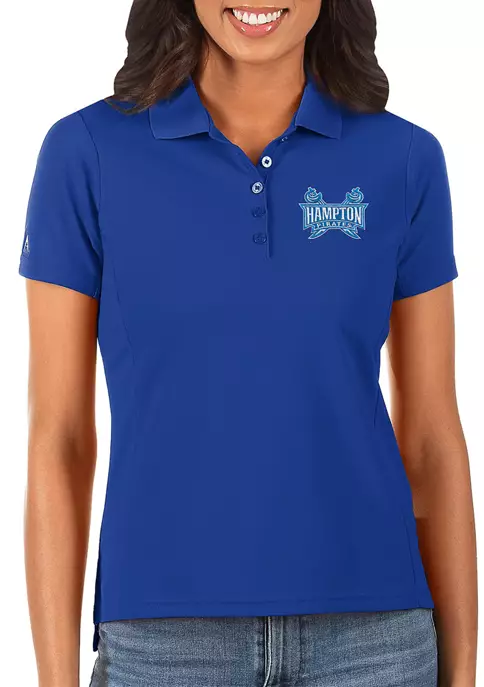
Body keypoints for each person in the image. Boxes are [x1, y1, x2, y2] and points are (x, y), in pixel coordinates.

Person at [19, 1, 478, 686]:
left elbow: (433, 437)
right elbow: (58, 438)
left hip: (375, 640)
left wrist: (463, 671)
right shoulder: (86, 154)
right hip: (166, 644)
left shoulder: (403, 159)